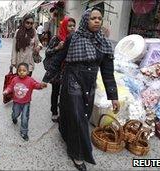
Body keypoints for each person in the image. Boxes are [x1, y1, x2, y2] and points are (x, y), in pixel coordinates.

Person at [42, 8, 120, 170]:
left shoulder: (104, 43)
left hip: (89, 84)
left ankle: (64, 131)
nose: (97, 21)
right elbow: (59, 58)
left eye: (99, 18)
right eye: (93, 18)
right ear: (86, 20)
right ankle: (77, 154)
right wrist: (47, 78)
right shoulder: (73, 38)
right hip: (72, 80)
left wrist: (113, 96)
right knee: (79, 117)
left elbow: (107, 72)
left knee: (82, 113)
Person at [3, 63, 47, 141]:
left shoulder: (30, 80)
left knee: (25, 118)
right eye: (19, 70)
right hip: (16, 102)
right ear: (17, 71)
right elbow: (10, 86)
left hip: (26, 103)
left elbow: (36, 85)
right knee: (16, 113)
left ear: (27, 72)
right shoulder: (15, 79)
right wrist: (6, 90)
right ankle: (14, 117)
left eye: (24, 70)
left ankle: (24, 132)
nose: (22, 72)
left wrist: (41, 86)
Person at [43, 16, 76, 122]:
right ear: (64, 26)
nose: (72, 28)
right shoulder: (56, 38)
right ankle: (54, 111)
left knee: (65, 93)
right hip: (56, 70)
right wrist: (58, 47)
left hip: (68, 70)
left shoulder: (74, 39)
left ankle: (63, 112)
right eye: (69, 26)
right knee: (55, 90)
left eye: (73, 26)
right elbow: (47, 52)